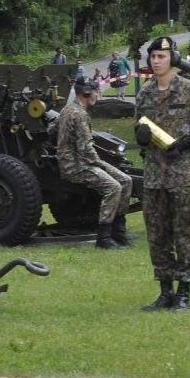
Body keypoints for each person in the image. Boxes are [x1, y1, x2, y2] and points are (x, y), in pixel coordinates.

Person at [133, 36, 190, 312]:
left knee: (183, 236)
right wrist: (141, 136)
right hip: (154, 177)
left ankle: (184, 292)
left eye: (162, 56)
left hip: (183, 177)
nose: (156, 61)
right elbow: (140, 129)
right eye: (153, 57)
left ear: (173, 58)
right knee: (157, 236)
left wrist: (188, 142)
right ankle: (165, 290)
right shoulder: (144, 93)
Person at [56, 76, 134, 249]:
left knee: (126, 181)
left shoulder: (67, 110)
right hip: (76, 166)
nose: (97, 95)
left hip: (81, 162)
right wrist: (101, 164)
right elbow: (86, 149)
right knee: (113, 187)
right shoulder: (79, 114)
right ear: (85, 93)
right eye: (95, 92)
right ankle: (104, 238)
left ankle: (119, 233)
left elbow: (52, 129)